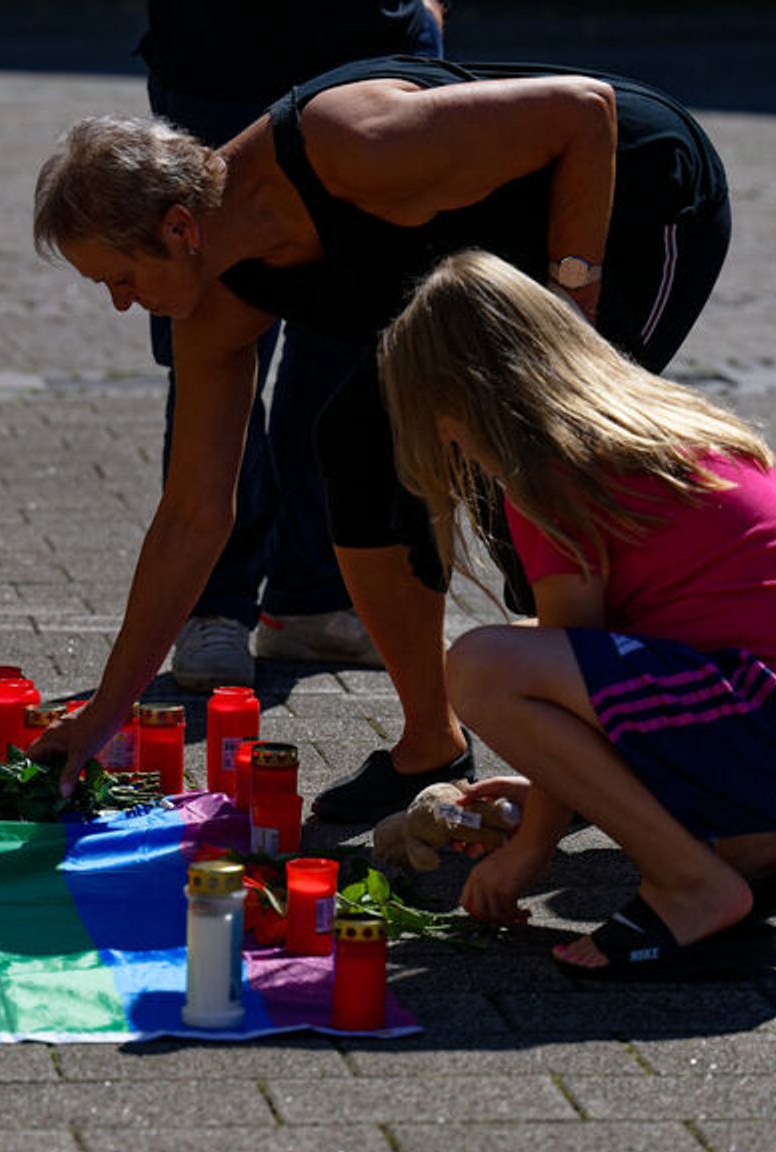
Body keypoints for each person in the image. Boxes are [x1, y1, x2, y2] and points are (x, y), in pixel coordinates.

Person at [29, 55, 730, 823]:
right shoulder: (213, 304)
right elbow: (194, 513)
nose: (123, 307)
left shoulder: (352, 143)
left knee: (545, 481)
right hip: (490, 270)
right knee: (358, 450)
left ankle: (675, 756)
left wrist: (573, 305)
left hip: (629, 199)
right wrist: (101, 716)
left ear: (179, 228)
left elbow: (584, 110)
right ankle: (431, 743)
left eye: (120, 279)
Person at [379, 249, 776, 977]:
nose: (448, 442)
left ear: (468, 396)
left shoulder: (551, 467)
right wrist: (556, 784)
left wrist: (531, 852)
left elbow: (569, 658)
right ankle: (761, 844)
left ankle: (691, 884)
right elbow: (604, 663)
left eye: (440, 422)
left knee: (484, 665)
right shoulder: (644, 425)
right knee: (528, 651)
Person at [139, 0, 446, 690]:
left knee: (352, 341)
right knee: (210, 342)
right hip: (215, 66)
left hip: (370, 54)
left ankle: (313, 598)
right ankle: (212, 608)